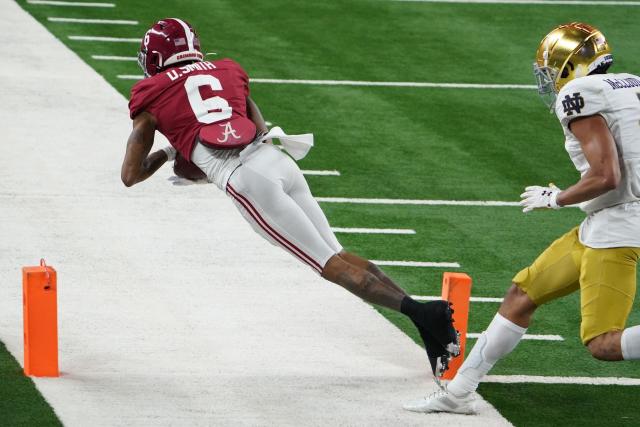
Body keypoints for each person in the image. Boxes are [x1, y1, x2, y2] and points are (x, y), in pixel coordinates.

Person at [120, 18, 460, 379]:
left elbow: (131, 175)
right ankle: (426, 326)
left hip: (247, 181)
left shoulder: (151, 93)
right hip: (276, 160)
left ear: (156, 58)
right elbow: (257, 129)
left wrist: (171, 153)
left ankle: (426, 314)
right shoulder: (228, 70)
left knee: (332, 268)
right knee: (339, 254)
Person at [404, 22, 640, 414]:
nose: (548, 80)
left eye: (551, 70)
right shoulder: (629, 83)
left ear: (568, 67)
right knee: (522, 293)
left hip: (619, 225)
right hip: (605, 221)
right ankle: (459, 392)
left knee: (601, 342)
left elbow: (606, 175)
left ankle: (458, 392)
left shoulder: (580, 93)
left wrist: (558, 199)